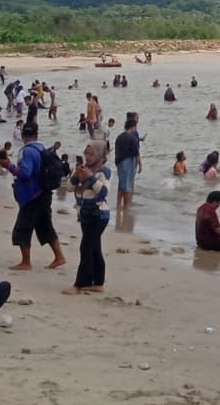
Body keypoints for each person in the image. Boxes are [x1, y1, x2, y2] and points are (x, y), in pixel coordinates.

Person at [9, 122, 66, 271]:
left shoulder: (27, 151)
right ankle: (59, 256)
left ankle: (26, 262)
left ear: (23, 135)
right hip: (45, 193)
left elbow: (25, 173)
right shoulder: (41, 148)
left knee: (22, 228)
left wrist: (8, 166)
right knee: (45, 226)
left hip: (32, 196)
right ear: (37, 133)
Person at [65, 143, 111, 295]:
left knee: (85, 248)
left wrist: (90, 177)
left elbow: (103, 192)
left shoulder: (104, 172)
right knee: (94, 248)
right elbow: (69, 188)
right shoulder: (82, 169)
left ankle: (79, 284)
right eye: (86, 154)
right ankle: (98, 282)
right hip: (84, 215)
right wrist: (76, 176)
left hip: (98, 215)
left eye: (91, 154)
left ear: (99, 156)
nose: (88, 157)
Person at [114, 116, 143, 210]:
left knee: (121, 185)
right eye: (135, 127)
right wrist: (140, 165)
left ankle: (118, 205)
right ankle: (126, 207)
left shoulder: (119, 137)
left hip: (119, 162)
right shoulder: (132, 138)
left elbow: (116, 151)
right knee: (127, 186)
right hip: (128, 162)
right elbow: (136, 153)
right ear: (132, 127)